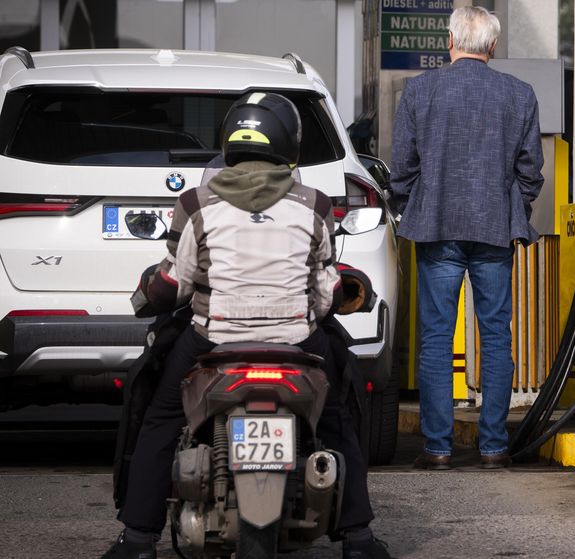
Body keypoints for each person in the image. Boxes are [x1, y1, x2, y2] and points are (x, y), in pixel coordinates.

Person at [102, 92, 391, 559]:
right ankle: (358, 538)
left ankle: (137, 539)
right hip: (297, 340)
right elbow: (323, 291)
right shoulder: (314, 203)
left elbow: (176, 285)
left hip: (211, 340)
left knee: (157, 416)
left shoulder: (196, 202)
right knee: (338, 417)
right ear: (289, 144)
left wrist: (150, 291)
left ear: (229, 142)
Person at [390, 5, 544, 470]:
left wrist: (406, 205)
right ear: (493, 46)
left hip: (436, 226)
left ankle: (437, 449)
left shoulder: (419, 91)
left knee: (437, 337)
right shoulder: (519, 94)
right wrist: (514, 207)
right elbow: (530, 171)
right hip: (495, 228)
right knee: (496, 335)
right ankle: (494, 446)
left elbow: (402, 168)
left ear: (449, 41)